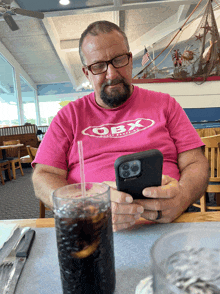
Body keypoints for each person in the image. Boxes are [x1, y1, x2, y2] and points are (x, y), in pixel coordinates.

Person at [32, 20, 209, 231]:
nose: (111, 74)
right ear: (87, 73)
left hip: (168, 225)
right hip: (93, 229)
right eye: (98, 66)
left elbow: (196, 164)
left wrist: (183, 196)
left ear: (130, 60)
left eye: (119, 60)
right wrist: (86, 208)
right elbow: (43, 177)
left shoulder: (166, 104)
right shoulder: (67, 117)